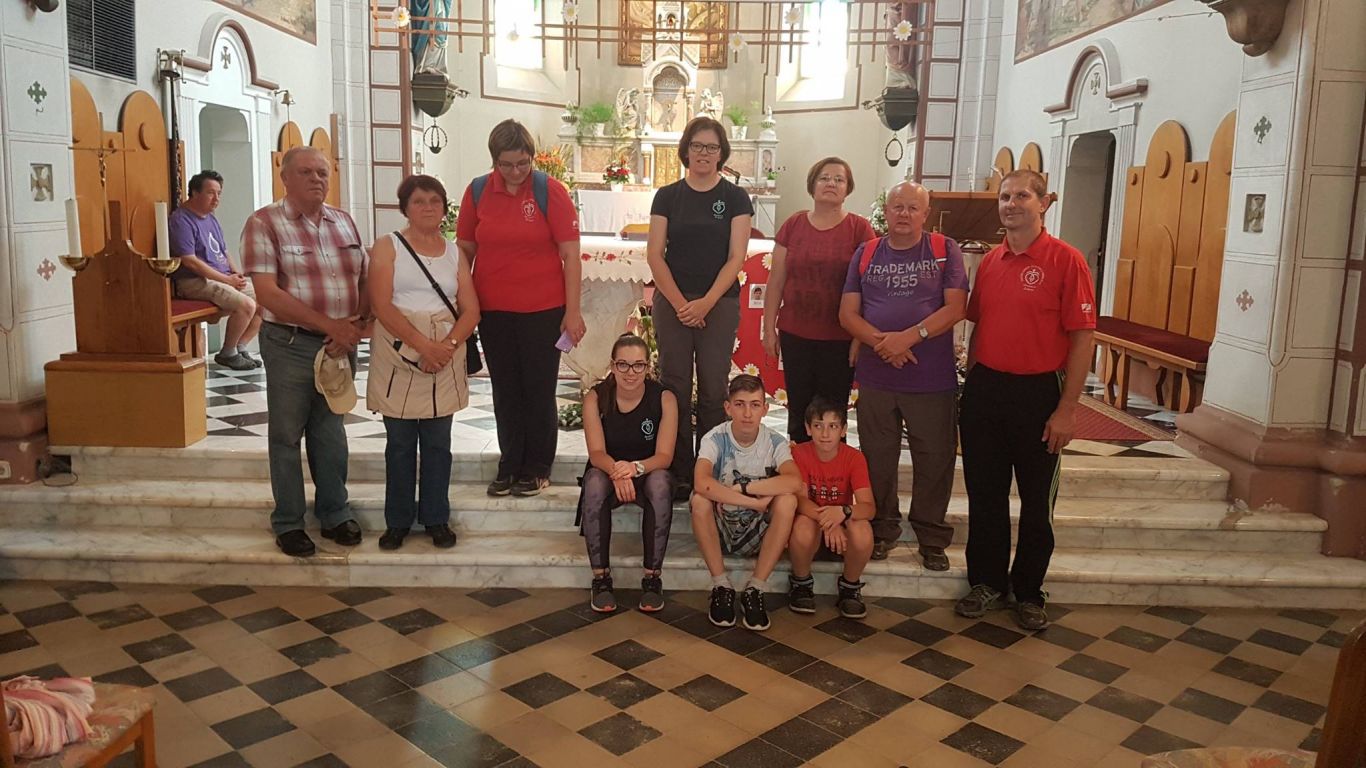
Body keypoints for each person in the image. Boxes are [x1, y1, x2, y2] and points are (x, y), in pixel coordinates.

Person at [955, 170, 1096, 631]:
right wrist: (972, 389)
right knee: (986, 495)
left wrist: (1067, 409)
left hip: (1039, 393)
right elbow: (978, 326)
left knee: (1036, 501)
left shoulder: (1066, 260)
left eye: (1021, 196)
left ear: (1043, 203)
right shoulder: (991, 261)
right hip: (987, 390)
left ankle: (1030, 591)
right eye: (1004, 197)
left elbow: (1083, 338)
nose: (1011, 204)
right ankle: (987, 582)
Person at [243, 146, 368, 557]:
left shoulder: (344, 221)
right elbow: (267, 293)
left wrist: (354, 328)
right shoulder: (264, 223)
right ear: (285, 178)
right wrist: (330, 325)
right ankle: (289, 522)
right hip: (291, 344)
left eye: (322, 172)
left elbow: (364, 281)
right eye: (306, 172)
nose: (317, 179)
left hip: (339, 345)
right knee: (286, 435)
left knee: (330, 432)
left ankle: (334, 513)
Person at [839, 182, 967, 568]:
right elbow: (847, 313)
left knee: (934, 458)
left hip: (931, 378)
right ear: (886, 211)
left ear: (925, 213)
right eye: (897, 206)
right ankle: (882, 528)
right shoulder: (867, 252)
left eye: (913, 207)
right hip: (877, 377)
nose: (905, 214)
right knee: (878, 458)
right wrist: (885, 344)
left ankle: (931, 536)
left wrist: (908, 337)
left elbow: (956, 308)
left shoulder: (944, 250)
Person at [456, 119, 585, 498]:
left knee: (538, 389)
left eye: (522, 163)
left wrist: (573, 312)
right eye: (506, 165)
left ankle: (538, 467)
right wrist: (463, 304)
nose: (515, 172)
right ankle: (510, 463)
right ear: (494, 160)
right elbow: (464, 251)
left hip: (543, 310)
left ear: (532, 157)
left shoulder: (549, 191)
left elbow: (571, 255)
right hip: (493, 311)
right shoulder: (478, 192)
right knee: (506, 389)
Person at [367, 175, 480, 552]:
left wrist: (446, 346)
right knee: (400, 443)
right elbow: (381, 305)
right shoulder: (388, 246)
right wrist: (423, 347)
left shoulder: (454, 253)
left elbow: (471, 309)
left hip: (444, 352)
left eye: (435, 200)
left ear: (444, 207)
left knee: (437, 443)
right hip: (399, 348)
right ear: (405, 208)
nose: (428, 207)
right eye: (419, 201)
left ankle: (436, 518)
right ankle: (397, 521)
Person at [646, 117, 753, 495]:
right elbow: (655, 254)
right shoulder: (667, 195)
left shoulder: (735, 198)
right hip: (673, 301)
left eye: (711, 147)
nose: (704, 153)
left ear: (722, 153)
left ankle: (708, 469)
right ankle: (677, 470)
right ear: (686, 150)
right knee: (673, 386)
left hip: (718, 303)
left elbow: (736, 257)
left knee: (712, 387)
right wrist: (681, 304)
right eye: (697, 145)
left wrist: (705, 303)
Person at [762, 157, 876, 442]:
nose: (831, 183)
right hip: (796, 333)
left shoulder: (859, 228)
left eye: (839, 179)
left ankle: (832, 467)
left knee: (833, 412)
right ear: (812, 185)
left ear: (848, 188)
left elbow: (870, 289)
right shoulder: (794, 224)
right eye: (824, 177)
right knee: (799, 408)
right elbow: (776, 282)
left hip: (840, 337)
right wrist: (768, 329)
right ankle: (798, 464)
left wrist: (860, 336)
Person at [690, 374, 801, 632]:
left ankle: (755, 589)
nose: (747, 413)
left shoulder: (774, 442)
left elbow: (794, 481)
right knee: (700, 501)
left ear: (765, 409)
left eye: (754, 405)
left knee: (787, 501)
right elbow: (702, 482)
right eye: (740, 404)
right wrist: (753, 502)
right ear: (728, 408)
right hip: (721, 525)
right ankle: (721, 586)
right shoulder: (714, 438)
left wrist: (745, 488)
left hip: (757, 530)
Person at [579, 334, 678, 613]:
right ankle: (601, 579)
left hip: (648, 469)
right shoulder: (595, 398)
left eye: (638, 365)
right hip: (609, 470)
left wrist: (635, 468)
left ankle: (652, 579)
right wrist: (618, 472)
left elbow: (665, 456)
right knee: (594, 482)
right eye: (623, 364)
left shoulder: (664, 398)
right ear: (612, 366)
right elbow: (596, 453)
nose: (630, 372)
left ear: (648, 367)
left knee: (660, 483)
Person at [787, 397, 875, 619]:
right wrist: (828, 522)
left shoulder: (854, 458)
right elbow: (800, 501)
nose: (825, 434)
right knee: (802, 526)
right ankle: (801, 582)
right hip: (814, 522)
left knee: (862, 530)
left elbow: (868, 507)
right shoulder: (799, 453)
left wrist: (843, 513)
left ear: (843, 430)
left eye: (833, 426)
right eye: (818, 426)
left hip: (840, 523)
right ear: (808, 429)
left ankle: (850, 586)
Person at [170, 170, 263, 371]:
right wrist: (226, 280)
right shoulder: (181, 220)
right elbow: (190, 261)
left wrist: (236, 273)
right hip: (195, 281)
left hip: (222, 277)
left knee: (265, 300)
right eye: (211, 193)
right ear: (195, 193)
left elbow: (223, 251)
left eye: (219, 193)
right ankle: (228, 353)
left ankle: (240, 346)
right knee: (247, 305)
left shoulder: (210, 218)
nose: (216, 199)